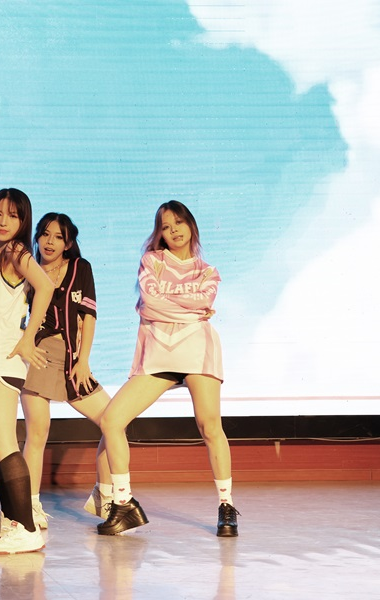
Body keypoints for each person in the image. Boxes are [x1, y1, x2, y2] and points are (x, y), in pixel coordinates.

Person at [97, 200, 238, 537]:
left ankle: (226, 505)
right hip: (158, 353)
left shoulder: (208, 272)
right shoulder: (153, 262)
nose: (173, 230)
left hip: (197, 350)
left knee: (209, 426)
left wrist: (170, 305)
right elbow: (150, 304)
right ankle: (123, 503)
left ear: (191, 225)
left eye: (179, 223)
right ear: (159, 233)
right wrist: (190, 311)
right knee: (111, 420)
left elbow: (204, 301)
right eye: (166, 226)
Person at [0, 188, 54, 554]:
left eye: (13, 215)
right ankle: (9, 519)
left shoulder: (17, 252)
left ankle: (25, 527)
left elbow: (46, 286)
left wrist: (28, 336)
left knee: (4, 443)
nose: (3, 221)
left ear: (23, 221)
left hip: (2, 360)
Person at [20, 213, 114, 528]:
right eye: (44, 234)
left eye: (58, 237)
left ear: (68, 242)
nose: (49, 242)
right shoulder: (28, 269)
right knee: (37, 432)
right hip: (39, 356)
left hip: (73, 359)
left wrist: (84, 361)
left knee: (114, 422)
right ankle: (29, 506)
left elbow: (88, 316)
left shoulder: (80, 268)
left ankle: (103, 494)